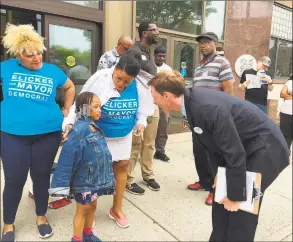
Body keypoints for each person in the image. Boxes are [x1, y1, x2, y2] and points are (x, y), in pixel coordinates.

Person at [148, 70, 289, 242]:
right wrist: (218, 175)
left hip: (265, 148)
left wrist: (235, 195)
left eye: (154, 96)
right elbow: (212, 145)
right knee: (220, 201)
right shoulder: (190, 104)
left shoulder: (206, 108)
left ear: (167, 95)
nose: (153, 101)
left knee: (241, 211)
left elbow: (234, 153)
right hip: (242, 147)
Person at [62, 48, 154, 228]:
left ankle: (116, 208)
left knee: (121, 167)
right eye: (119, 78)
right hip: (98, 134)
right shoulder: (100, 79)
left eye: (126, 82)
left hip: (123, 135)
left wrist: (141, 123)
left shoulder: (140, 86)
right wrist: (71, 123)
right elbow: (81, 103)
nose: (121, 84)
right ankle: (90, 212)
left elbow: (142, 110)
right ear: (115, 69)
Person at [0, 23, 75, 241]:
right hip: (12, 135)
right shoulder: (5, 68)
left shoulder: (52, 71)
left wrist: (66, 108)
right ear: (18, 55)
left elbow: (69, 87)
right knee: (14, 179)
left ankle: (41, 217)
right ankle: (8, 224)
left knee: (41, 177)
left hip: (48, 134)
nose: (36, 58)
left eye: (38, 53)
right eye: (29, 55)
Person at [49, 92, 115, 242]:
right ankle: (77, 238)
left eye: (100, 107)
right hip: (84, 181)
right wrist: (60, 187)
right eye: (96, 107)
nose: (100, 110)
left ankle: (88, 234)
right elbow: (66, 159)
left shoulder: (93, 126)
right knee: (82, 210)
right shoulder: (79, 130)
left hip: (94, 180)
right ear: (85, 109)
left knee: (92, 207)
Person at [188, 32, 235, 206]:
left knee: (214, 154)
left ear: (215, 44)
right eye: (201, 43)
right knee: (199, 151)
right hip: (198, 117)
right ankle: (204, 181)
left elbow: (228, 89)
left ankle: (215, 189)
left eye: (207, 42)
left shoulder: (221, 62)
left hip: (214, 117)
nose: (203, 45)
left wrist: (221, 113)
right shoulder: (199, 66)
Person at [126, 21, 161, 195]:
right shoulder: (134, 51)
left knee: (149, 143)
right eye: (154, 30)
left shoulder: (149, 52)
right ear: (145, 33)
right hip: (138, 108)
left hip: (152, 105)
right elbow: (128, 79)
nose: (158, 32)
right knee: (135, 144)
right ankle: (128, 179)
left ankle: (148, 175)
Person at [153, 46, 172, 162]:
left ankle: (160, 152)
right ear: (154, 55)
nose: (161, 58)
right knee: (148, 128)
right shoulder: (149, 66)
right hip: (150, 101)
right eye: (159, 56)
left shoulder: (168, 69)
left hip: (163, 102)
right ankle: (145, 152)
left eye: (164, 56)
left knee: (163, 128)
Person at [279, 74, 292, 151]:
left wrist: (289, 94)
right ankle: (285, 154)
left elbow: (285, 95)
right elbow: (282, 94)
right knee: (285, 136)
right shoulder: (290, 83)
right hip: (286, 113)